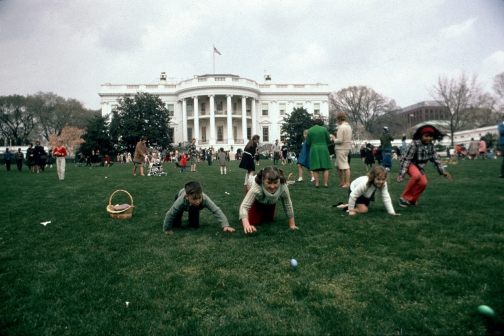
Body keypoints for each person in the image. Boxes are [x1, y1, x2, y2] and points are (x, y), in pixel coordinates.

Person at [397, 125, 452, 207]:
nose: (428, 138)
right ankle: (404, 198)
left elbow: (436, 160)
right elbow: (407, 159)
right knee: (416, 176)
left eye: (431, 136)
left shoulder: (431, 147)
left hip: (418, 167)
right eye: (426, 136)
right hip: (408, 164)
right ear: (421, 136)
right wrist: (402, 174)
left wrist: (442, 171)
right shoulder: (414, 144)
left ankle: (412, 200)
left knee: (423, 183)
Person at [239, 166, 298, 234]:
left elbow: (287, 204)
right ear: (262, 180)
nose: (272, 186)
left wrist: (292, 225)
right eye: (269, 183)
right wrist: (246, 225)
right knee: (253, 222)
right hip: (257, 197)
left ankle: (264, 209)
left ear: (279, 179)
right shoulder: (256, 187)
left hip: (271, 199)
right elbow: (244, 206)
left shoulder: (283, 186)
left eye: (276, 182)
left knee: (268, 220)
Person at [163, 181, 235, 234]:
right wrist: (167, 230)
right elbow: (170, 214)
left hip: (194, 207)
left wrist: (225, 225)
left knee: (195, 226)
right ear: (187, 197)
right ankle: (177, 222)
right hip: (179, 195)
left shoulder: (204, 199)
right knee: (176, 223)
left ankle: (191, 220)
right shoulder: (181, 201)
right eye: (194, 199)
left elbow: (216, 210)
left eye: (199, 198)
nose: (197, 201)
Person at [306, 119, 332, 188]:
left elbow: (308, 142)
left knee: (315, 167)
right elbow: (328, 139)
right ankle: (325, 184)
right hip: (323, 148)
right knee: (325, 167)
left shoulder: (310, 130)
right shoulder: (324, 129)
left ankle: (317, 184)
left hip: (314, 148)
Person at [332, 112, 352, 188]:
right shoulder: (349, 127)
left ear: (339, 119)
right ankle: (342, 181)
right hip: (346, 148)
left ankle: (347, 183)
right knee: (337, 166)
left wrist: (334, 139)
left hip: (341, 148)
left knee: (345, 166)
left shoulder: (341, 127)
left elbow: (339, 140)